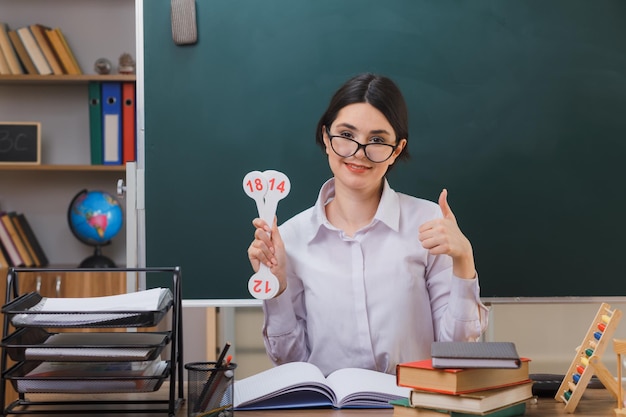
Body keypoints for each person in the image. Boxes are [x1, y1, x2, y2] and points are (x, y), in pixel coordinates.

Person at [247, 73, 488, 376]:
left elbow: (458, 354)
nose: (359, 152)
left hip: (413, 407)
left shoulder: (429, 225)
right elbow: (291, 365)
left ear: (397, 149)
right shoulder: (291, 239)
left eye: (377, 140)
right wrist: (277, 288)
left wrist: (464, 260)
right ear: (326, 136)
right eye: (346, 135)